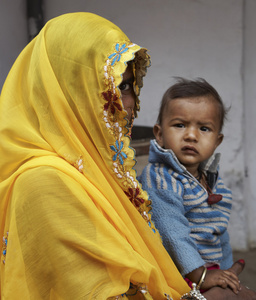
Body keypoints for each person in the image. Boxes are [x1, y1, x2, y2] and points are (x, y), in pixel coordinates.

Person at [0, 12, 255, 300]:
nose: (129, 103)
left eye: (129, 86)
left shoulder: (99, 167)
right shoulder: (44, 183)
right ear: (71, 92)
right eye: (116, 86)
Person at [138, 78, 246, 293]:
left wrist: (225, 275)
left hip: (207, 273)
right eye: (180, 125)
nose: (191, 135)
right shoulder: (160, 178)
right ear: (159, 134)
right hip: (177, 275)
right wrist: (202, 276)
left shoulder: (214, 182)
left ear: (217, 141)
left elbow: (219, 234)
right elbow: (171, 233)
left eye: (204, 129)